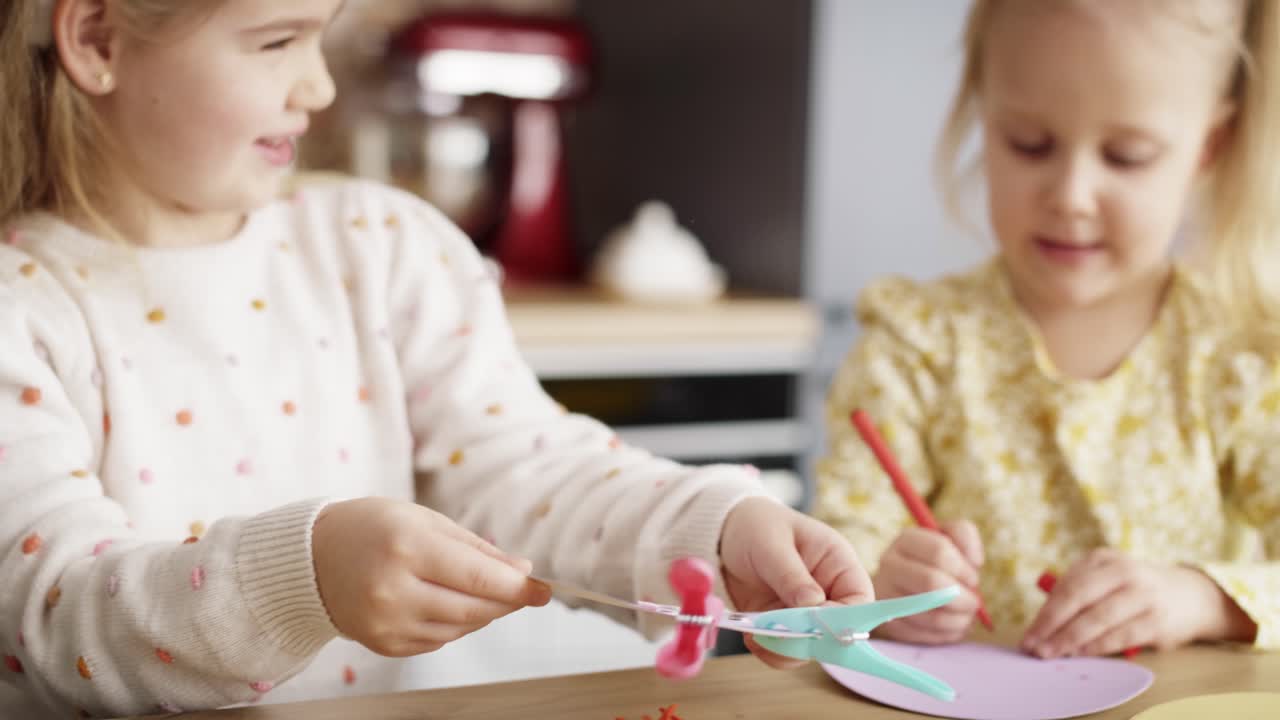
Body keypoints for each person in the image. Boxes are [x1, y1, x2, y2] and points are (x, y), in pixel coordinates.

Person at [0, 1, 874, 717]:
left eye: (320, 36)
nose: (318, 86)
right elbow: (55, 615)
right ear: (97, 40)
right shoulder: (22, 311)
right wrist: (301, 579)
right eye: (276, 41)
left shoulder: (380, 247)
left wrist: (711, 528)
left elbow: (529, 469)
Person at [814, 0, 1280, 661]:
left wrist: (1202, 600)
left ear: (1210, 146)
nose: (1071, 195)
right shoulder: (916, 342)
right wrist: (884, 586)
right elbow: (839, 549)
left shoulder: (1239, 354)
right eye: (1029, 144)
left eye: (1126, 157)